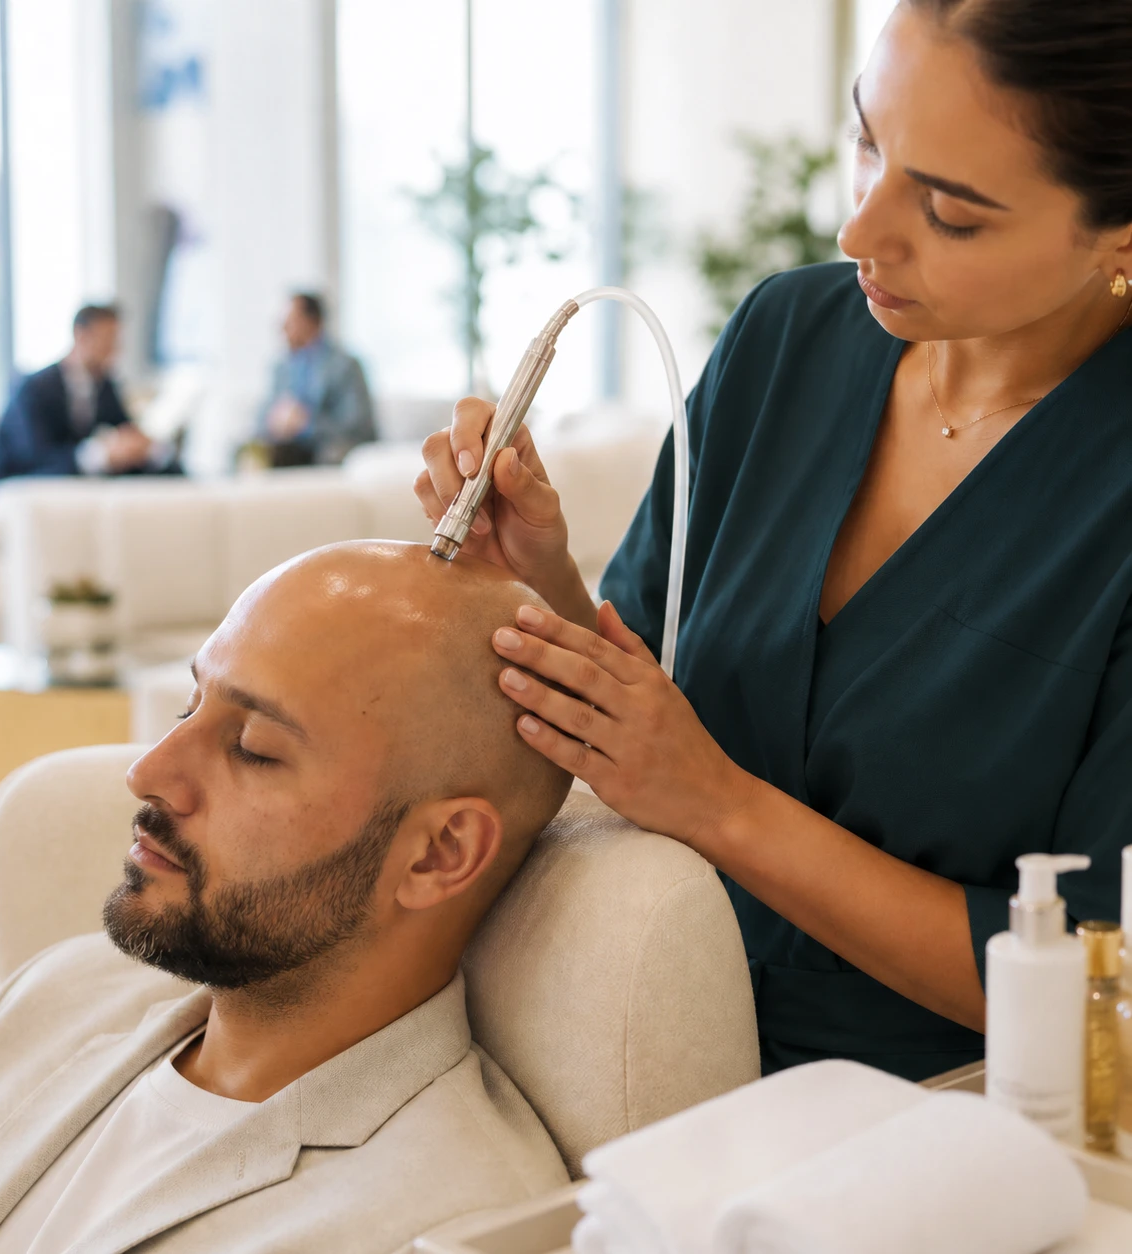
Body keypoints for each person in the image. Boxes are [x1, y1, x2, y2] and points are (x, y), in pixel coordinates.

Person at [418, 0, 1132, 1082]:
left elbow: (1098, 989)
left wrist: (719, 805)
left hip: (930, 1109)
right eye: (867, 143)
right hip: (605, 1030)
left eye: (949, 212)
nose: (858, 232)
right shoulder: (784, 337)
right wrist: (537, 571)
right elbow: (643, 710)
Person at [0, 541, 571, 1252]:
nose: (148, 771)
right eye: (190, 703)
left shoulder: (445, 1224)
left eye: (253, 748)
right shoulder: (57, 994)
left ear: (438, 853)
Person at [0, 304, 179, 497]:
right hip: (9, 490)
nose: (114, 350)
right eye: (107, 340)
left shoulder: (104, 386)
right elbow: (34, 459)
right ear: (80, 336)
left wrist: (144, 447)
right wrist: (98, 454)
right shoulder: (33, 389)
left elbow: (125, 427)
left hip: (64, 495)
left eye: (116, 341)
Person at [258, 292, 375, 467]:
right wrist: (276, 422)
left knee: (331, 454)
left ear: (313, 321)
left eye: (290, 321)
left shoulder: (345, 365)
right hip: (288, 447)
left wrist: (306, 423)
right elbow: (263, 416)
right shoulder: (281, 368)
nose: (282, 328)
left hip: (327, 447)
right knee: (250, 453)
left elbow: (358, 426)